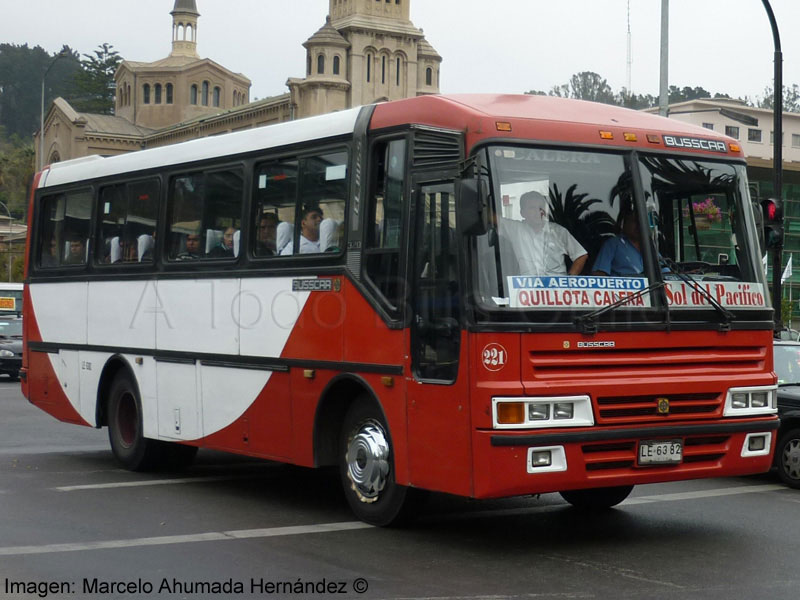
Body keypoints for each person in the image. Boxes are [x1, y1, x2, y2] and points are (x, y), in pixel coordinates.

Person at [499, 191, 587, 276]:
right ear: (522, 213)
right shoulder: (516, 230)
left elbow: (580, 255)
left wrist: (570, 281)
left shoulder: (558, 231)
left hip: (556, 289)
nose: (538, 212)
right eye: (532, 208)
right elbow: (493, 218)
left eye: (541, 207)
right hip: (528, 288)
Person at [592, 211, 643, 276]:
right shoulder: (613, 244)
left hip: (652, 285)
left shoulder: (650, 247)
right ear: (625, 224)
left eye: (641, 221)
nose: (638, 225)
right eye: (635, 221)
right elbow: (599, 274)